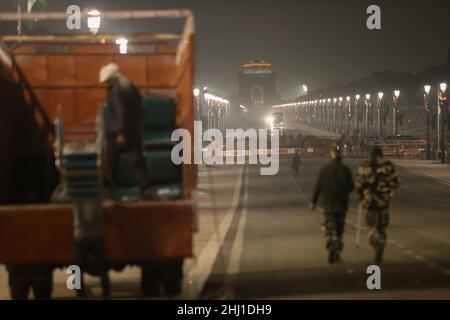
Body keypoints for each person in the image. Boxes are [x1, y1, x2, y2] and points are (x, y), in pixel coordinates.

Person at [99, 63, 149, 198]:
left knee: (110, 164)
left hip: (117, 133)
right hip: (133, 131)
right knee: (137, 162)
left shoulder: (116, 89)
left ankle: (111, 193)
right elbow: (140, 109)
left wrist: (120, 132)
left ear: (110, 79)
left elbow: (120, 111)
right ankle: (144, 190)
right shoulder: (129, 86)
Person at [309, 148, 354, 264]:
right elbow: (351, 187)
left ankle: (331, 241)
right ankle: (337, 249)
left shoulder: (324, 170)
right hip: (341, 204)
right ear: (341, 157)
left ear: (331, 157)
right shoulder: (346, 170)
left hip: (328, 203)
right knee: (340, 228)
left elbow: (318, 186)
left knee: (329, 225)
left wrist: (313, 201)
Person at [356, 146, 399, 264]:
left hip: (370, 203)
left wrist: (361, 195)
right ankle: (381, 244)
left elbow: (359, 184)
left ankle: (375, 243)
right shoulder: (389, 166)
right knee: (382, 227)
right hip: (384, 203)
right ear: (382, 155)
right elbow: (396, 182)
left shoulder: (364, 166)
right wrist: (388, 193)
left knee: (370, 227)